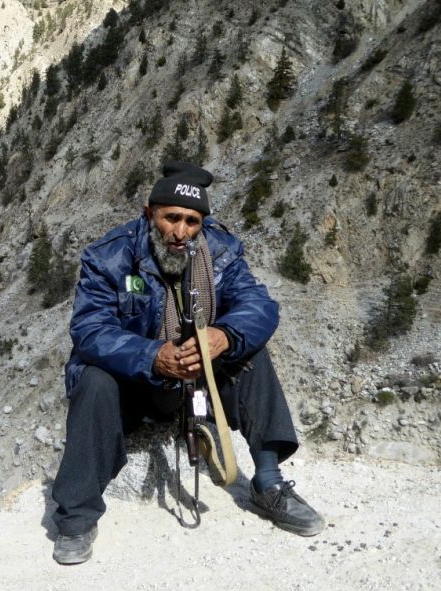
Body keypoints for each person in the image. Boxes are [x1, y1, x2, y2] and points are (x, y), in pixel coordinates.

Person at [51, 161, 324, 565]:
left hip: (196, 379)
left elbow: (259, 305)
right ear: (150, 213)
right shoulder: (110, 256)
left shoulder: (220, 251)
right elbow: (90, 330)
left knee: (251, 352)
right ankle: (76, 516)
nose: (180, 232)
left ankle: (268, 482)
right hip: (137, 384)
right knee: (93, 379)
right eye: (171, 218)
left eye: (192, 221)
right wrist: (152, 357)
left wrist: (224, 335)